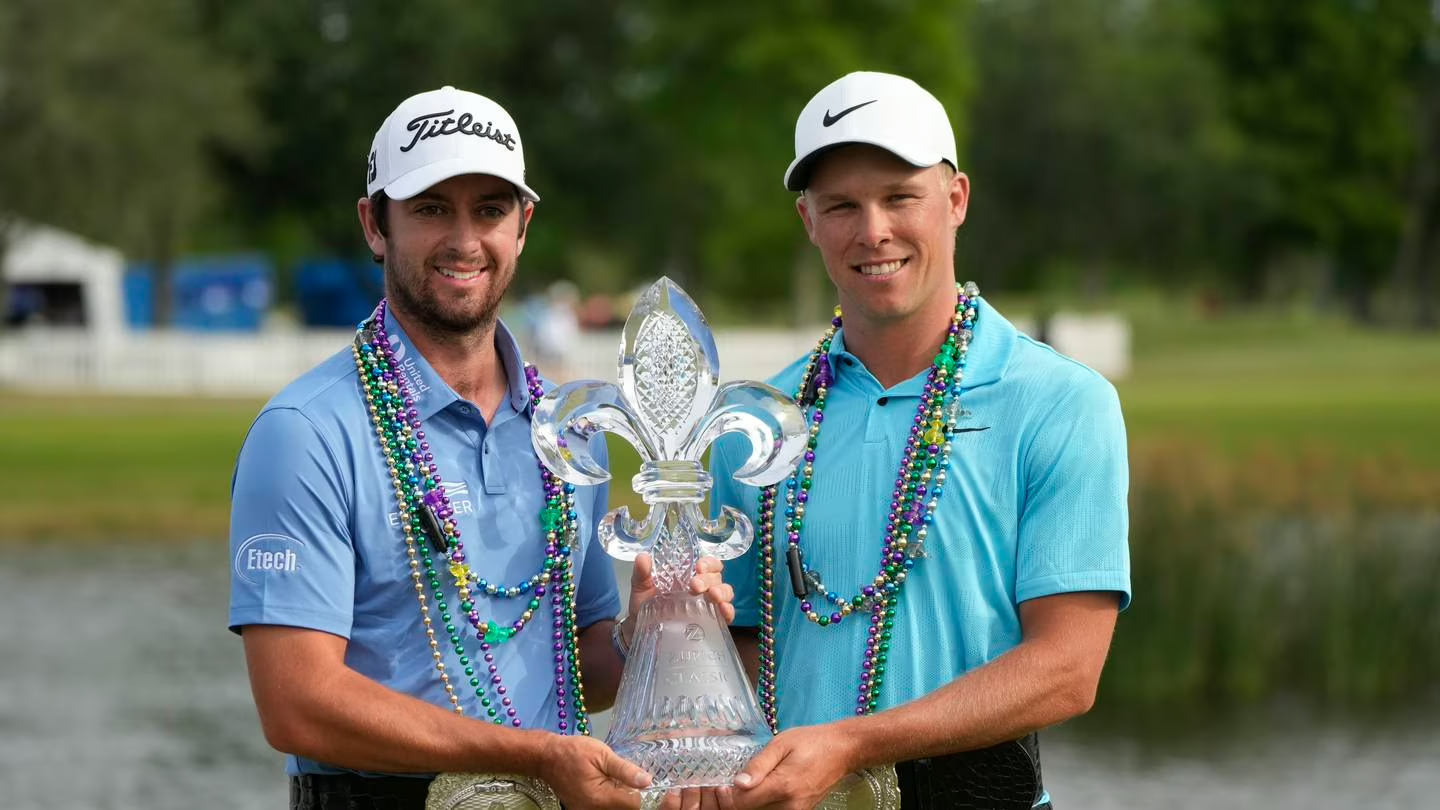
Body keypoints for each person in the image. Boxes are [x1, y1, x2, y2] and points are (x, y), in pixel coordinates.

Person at [228, 85, 732, 810]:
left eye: (490, 210)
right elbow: (296, 702)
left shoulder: (570, 426)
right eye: (432, 209)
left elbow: (579, 664)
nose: (464, 241)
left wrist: (650, 636)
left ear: (523, 226)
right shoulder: (306, 432)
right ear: (375, 224)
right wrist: (536, 758)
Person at [709, 71, 1132, 809]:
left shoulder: (1061, 401)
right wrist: (669, 631)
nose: (872, 231)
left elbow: (1068, 668)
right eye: (842, 205)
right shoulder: (755, 422)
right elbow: (744, 647)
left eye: (900, 197)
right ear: (808, 220)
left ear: (956, 199)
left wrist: (853, 744)